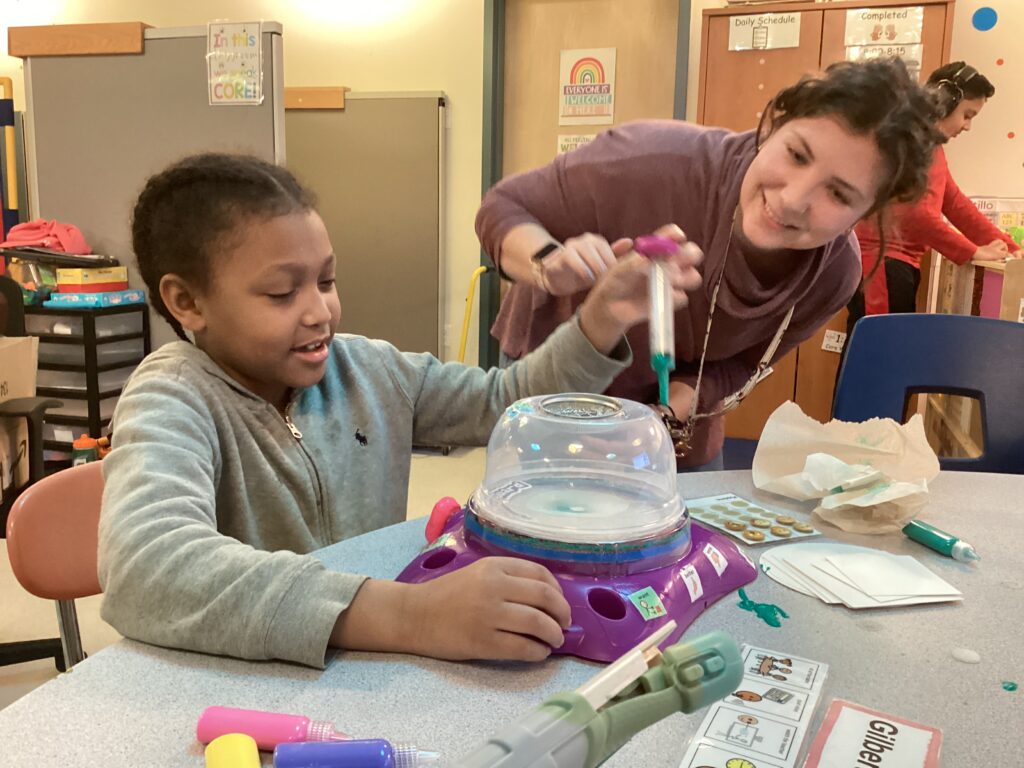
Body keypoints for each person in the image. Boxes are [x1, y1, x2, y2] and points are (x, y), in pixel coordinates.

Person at [98, 153, 702, 668]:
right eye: (282, 293)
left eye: (327, 281)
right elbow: (149, 568)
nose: (320, 313)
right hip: (243, 685)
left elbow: (503, 404)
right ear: (187, 301)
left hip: (366, 668)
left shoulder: (368, 370)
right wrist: (411, 615)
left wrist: (600, 318)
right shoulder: (171, 394)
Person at [476, 58, 939, 469]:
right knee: (539, 548)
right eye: (796, 155)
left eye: (838, 194)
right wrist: (547, 263)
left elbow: (739, 367)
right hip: (555, 387)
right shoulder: (653, 160)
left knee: (676, 553)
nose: (793, 199)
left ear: (870, 210)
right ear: (776, 124)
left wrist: (664, 416)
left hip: (673, 431)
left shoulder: (833, 275)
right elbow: (503, 207)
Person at [849, 61, 1021, 324]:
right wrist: (973, 252)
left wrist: (1011, 247)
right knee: (883, 357)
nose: (967, 126)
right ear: (945, 101)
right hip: (883, 266)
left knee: (878, 355)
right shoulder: (914, 142)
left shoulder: (928, 145)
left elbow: (955, 203)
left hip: (890, 266)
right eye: (968, 115)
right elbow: (916, 215)